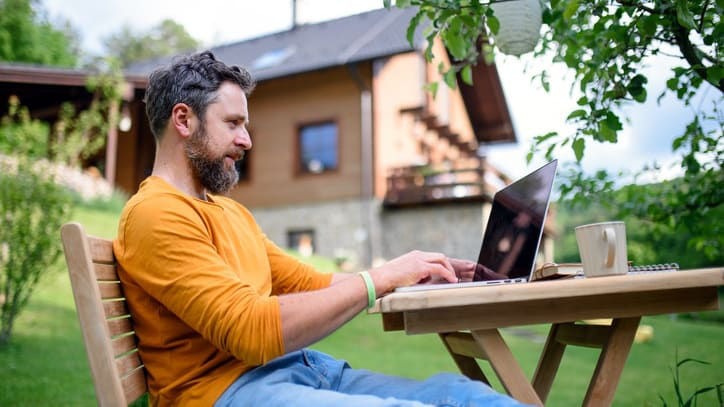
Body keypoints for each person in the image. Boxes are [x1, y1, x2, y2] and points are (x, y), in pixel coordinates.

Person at [113, 51, 529, 407]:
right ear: (183, 120)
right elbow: (250, 331)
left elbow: (312, 283)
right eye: (233, 123)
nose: (247, 141)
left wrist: (418, 277)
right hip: (227, 393)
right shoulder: (156, 214)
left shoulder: (230, 214)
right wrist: (380, 277)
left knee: (463, 394)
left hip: (302, 373)